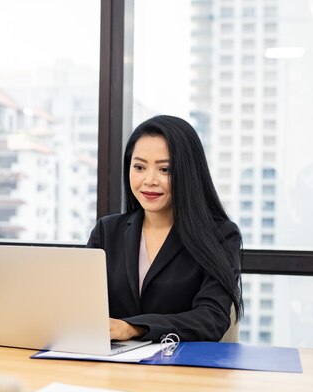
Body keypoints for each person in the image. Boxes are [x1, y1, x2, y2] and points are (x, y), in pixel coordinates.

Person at [87, 115, 243, 342]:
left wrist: (134, 328)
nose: (149, 180)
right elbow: (81, 304)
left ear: (188, 173)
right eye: (139, 167)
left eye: (165, 170)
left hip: (181, 367)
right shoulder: (107, 231)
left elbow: (211, 319)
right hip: (111, 365)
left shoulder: (221, 235)